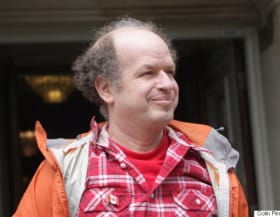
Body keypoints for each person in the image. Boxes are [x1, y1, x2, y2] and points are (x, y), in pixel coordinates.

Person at [13, 17, 248, 217]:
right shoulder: (64, 171)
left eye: (169, 72)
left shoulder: (212, 164)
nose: (167, 84)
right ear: (106, 89)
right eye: (148, 73)